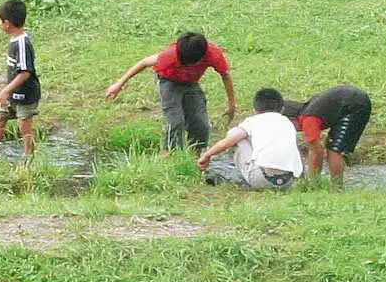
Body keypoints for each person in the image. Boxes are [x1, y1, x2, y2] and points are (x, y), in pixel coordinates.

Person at [105, 31, 236, 152]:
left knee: (201, 123)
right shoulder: (169, 55)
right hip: (168, 81)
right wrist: (119, 83)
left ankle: (196, 157)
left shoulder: (213, 54)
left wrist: (231, 105)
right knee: (176, 122)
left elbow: (225, 76)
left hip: (191, 83)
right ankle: (170, 155)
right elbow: (144, 62)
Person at [199, 89, 303, 190]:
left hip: (261, 179)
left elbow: (226, 143)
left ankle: (251, 173)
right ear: (282, 110)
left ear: (254, 110)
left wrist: (207, 155)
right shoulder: (287, 123)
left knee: (236, 137)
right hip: (288, 182)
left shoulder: (253, 121)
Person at [0, 0, 40, 160]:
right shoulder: (15, 41)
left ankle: (29, 158)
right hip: (12, 94)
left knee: (24, 126)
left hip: (25, 95)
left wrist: (5, 90)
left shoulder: (22, 44)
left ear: (7, 23)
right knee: (0, 119)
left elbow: (25, 73)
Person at [288, 84, 373, 185]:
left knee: (334, 149)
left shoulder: (308, 119)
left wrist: (311, 182)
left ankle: (336, 187)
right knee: (331, 145)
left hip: (354, 104)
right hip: (346, 103)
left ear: (291, 119)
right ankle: (332, 185)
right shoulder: (307, 111)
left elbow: (316, 151)